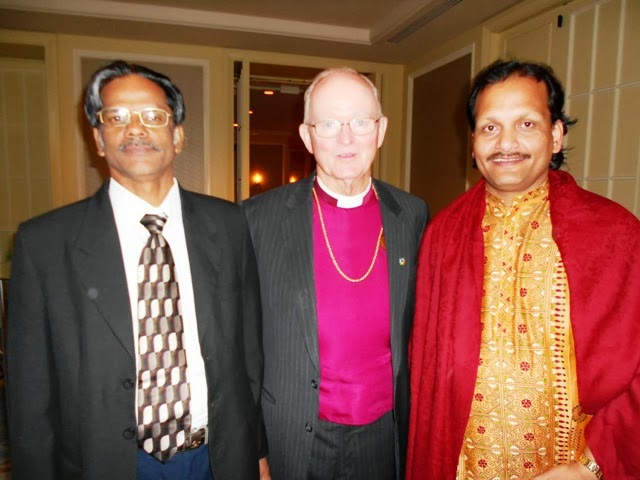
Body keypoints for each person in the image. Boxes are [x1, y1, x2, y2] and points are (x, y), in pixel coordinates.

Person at [6, 60, 269, 480]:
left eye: (153, 116)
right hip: (106, 463)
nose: (135, 129)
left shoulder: (230, 225)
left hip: (217, 458)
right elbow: (29, 394)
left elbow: (249, 357)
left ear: (178, 135)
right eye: (116, 117)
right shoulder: (44, 243)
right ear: (98, 138)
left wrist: (256, 453)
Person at [406, 60, 640, 479]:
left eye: (527, 124)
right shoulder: (443, 235)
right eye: (490, 127)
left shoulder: (615, 235)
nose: (505, 143)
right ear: (473, 142)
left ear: (556, 135)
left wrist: (591, 464)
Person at [243, 67, 429, 480]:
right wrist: (254, 451)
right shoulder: (256, 219)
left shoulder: (412, 215)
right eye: (328, 124)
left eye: (360, 123)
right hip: (292, 435)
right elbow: (240, 352)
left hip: (385, 436)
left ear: (381, 130)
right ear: (308, 136)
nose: (346, 139)